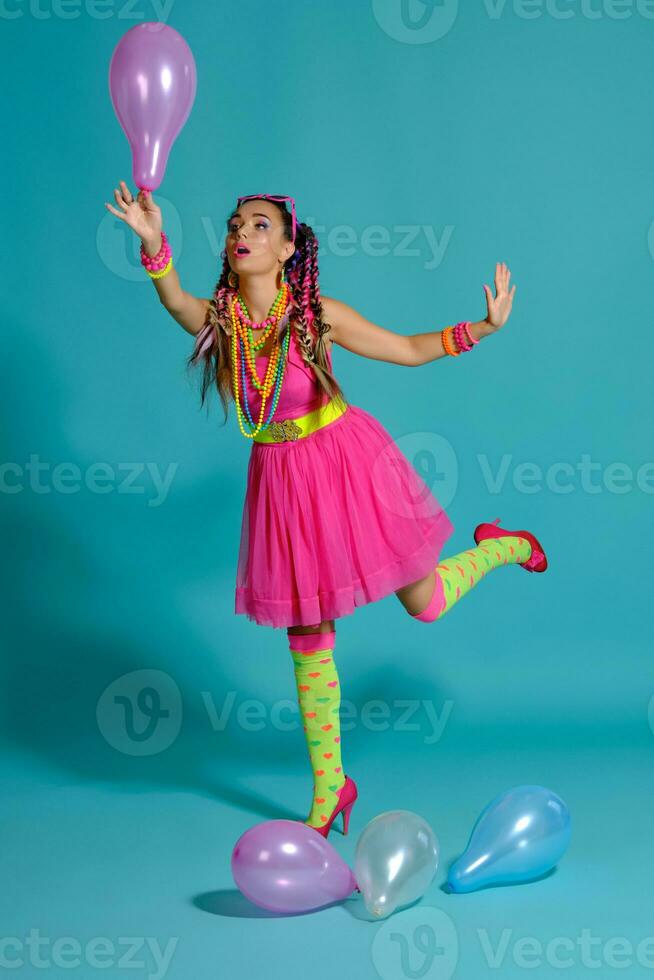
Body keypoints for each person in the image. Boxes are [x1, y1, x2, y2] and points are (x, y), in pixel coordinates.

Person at [104, 184, 548, 839]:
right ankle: (329, 788)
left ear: (286, 247)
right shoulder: (224, 325)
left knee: (424, 604)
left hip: (347, 463)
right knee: (308, 637)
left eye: (258, 225)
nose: (241, 233)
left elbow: (403, 347)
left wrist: (480, 328)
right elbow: (175, 300)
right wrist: (153, 243)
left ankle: (504, 544)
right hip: (282, 483)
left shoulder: (316, 315)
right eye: (233, 225)